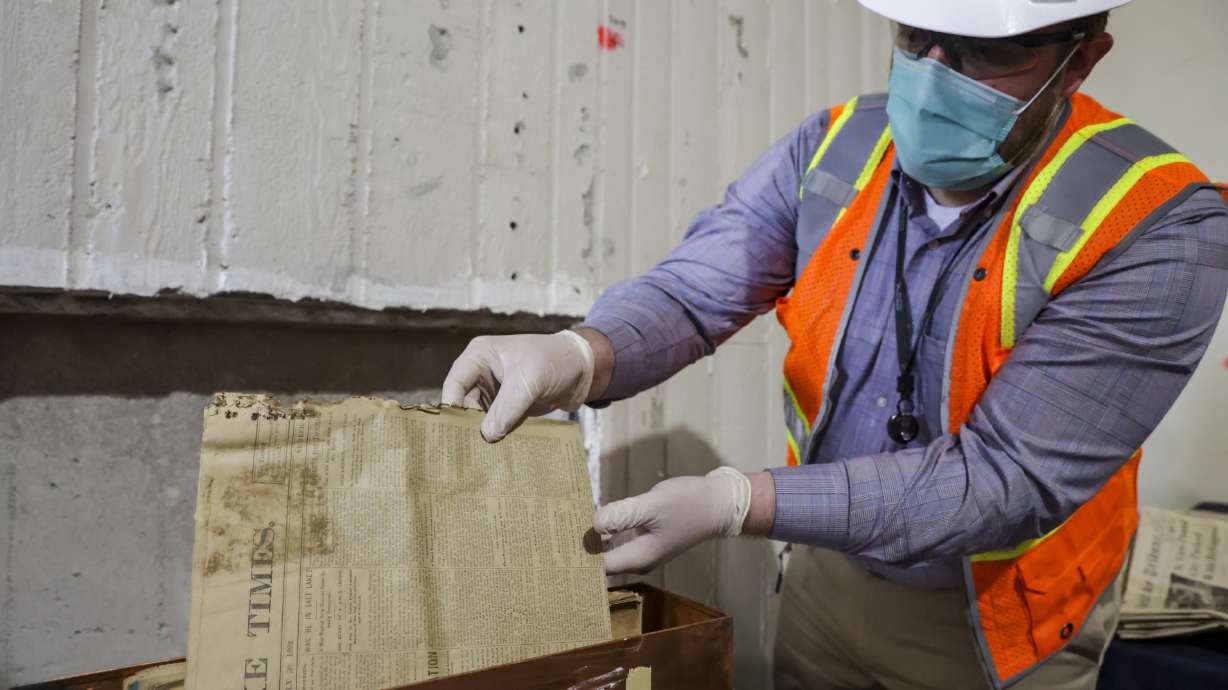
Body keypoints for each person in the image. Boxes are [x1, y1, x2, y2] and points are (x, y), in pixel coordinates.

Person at [442, 0, 1228, 687]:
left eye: (989, 52)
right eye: (918, 34)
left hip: (1000, 614)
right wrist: (580, 353)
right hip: (829, 568)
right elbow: (693, 291)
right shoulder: (837, 148)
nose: (936, 71)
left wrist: (736, 502)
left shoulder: (1156, 226)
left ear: (1083, 56)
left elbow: (1003, 477)